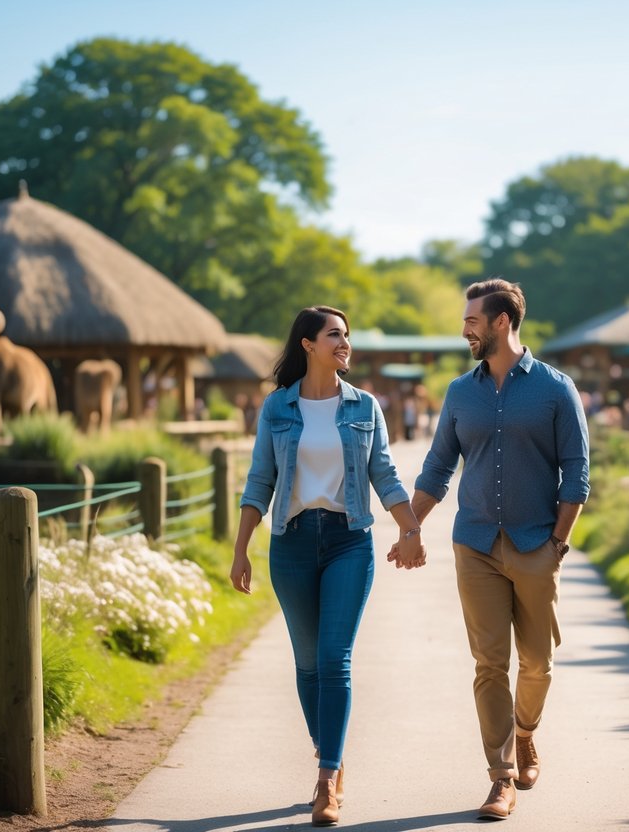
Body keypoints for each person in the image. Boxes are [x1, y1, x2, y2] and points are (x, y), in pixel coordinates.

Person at [393, 278, 590, 820]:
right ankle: (500, 777)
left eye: (473, 321)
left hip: (535, 542)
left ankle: (526, 732)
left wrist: (558, 543)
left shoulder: (555, 388)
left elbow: (576, 472)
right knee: (488, 663)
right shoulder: (461, 392)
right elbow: (437, 466)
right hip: (475, 542)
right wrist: (411, 527)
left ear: (502, 321)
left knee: (537, 664)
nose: (465, 330)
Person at [230, 305, 426, 827]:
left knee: (335, 658)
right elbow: (259, 482)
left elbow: (383, 472)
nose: (345, 343)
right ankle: (330, 756)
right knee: (308, 663)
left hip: (348, 542)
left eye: (347, 335)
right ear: (308, 345)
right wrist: (241, 547)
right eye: (334, 335)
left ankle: (325, 779)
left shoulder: (365, 406)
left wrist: (411, 529)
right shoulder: (278, 407)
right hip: (291, 543)